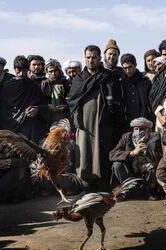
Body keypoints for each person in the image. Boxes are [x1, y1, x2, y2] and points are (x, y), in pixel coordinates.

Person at [68, 45, 124, 191]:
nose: (90, 60)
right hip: (84, 124)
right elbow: (73, 100)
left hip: (103, 123)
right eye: (88, 57)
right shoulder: (79, 79)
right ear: (84, 58)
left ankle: (103, 184)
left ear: (100, 58)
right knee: (85, 152)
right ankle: (86, 183)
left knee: (102, 152)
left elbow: (116, 100)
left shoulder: (108, 77)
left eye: (94, 57)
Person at [109, 117, 163, 201]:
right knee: (117, 165)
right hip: (131, 171)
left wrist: (146, 150)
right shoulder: (126, 137)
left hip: (146, 172)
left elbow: (157, 160)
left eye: (142, 129)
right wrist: (132, 153)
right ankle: (127, 191)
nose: (138, 132)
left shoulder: (155, 138)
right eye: (136, 129)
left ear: (149, 131)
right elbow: (112, 154)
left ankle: (149, 192)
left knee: (152, 167)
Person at [0, 55, 48, 144]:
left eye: (24, 71)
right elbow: (2, 109)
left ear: (28, 69)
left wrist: (37, 109)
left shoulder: (33, 86)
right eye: (18, 71)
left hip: (28, 128)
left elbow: (44, 106)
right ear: (14, 69)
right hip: (9, 126)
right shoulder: (7, 86)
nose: (21, 74)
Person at [120, 53, 153, 126]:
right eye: (125, 68)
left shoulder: (145, 81)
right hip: (126, 123)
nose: (128, 70)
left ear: (135, 65)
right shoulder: (120, 83)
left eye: (130, 67)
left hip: (144, 122)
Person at [40, 58, 71, 125]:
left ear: (59, 70)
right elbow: (41, 101)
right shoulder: (44, 84)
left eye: (55, 70)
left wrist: (66, 106)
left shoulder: (66, 83)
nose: (53, 73)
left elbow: (72, 100)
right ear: (47, 72)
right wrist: (48, 105)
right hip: (49, 118)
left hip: (65, 116)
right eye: (50, 71)